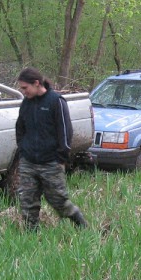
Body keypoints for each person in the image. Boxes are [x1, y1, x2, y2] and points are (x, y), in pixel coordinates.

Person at [14, 68, 87, 228]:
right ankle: (30, 234)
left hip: (51, 162)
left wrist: (61, 157)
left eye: (25, 88)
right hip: (29, 162)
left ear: (36, 83)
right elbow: (20, 127)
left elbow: (66, 132)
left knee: (58, 200)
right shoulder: (26, 103)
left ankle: (80, 223)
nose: (23, 92)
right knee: (27, 201)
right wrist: (23, 149)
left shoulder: (56, 101)